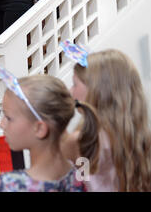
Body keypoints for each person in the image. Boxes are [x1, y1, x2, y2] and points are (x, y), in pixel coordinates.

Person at [0, 69, 100, 192]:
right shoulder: (79, 177)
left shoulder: (10, 185)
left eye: (9, 118)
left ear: (40, 128)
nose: (2, 124)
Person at [61, 49, 151, 191]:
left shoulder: (81, 141)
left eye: (74, 84)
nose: (71, 92)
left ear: (96, 90)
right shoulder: (138, 137)